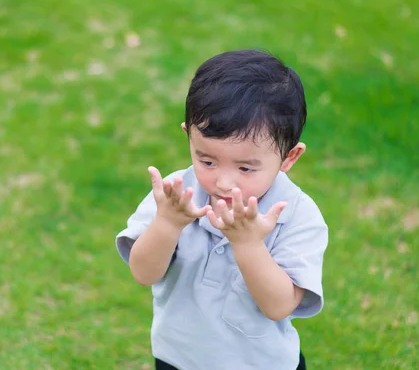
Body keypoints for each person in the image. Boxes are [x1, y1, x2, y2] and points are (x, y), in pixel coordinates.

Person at [115, 49, 328, 370]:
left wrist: (248, 244)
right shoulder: (175, 195)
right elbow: (143, 273)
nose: (224, 182)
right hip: (178, 358)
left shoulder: (297, 216)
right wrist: (168, 224)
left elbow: (279, 305)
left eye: (245, 168)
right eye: (207, 160)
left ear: (289, 157)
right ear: (189, 136)